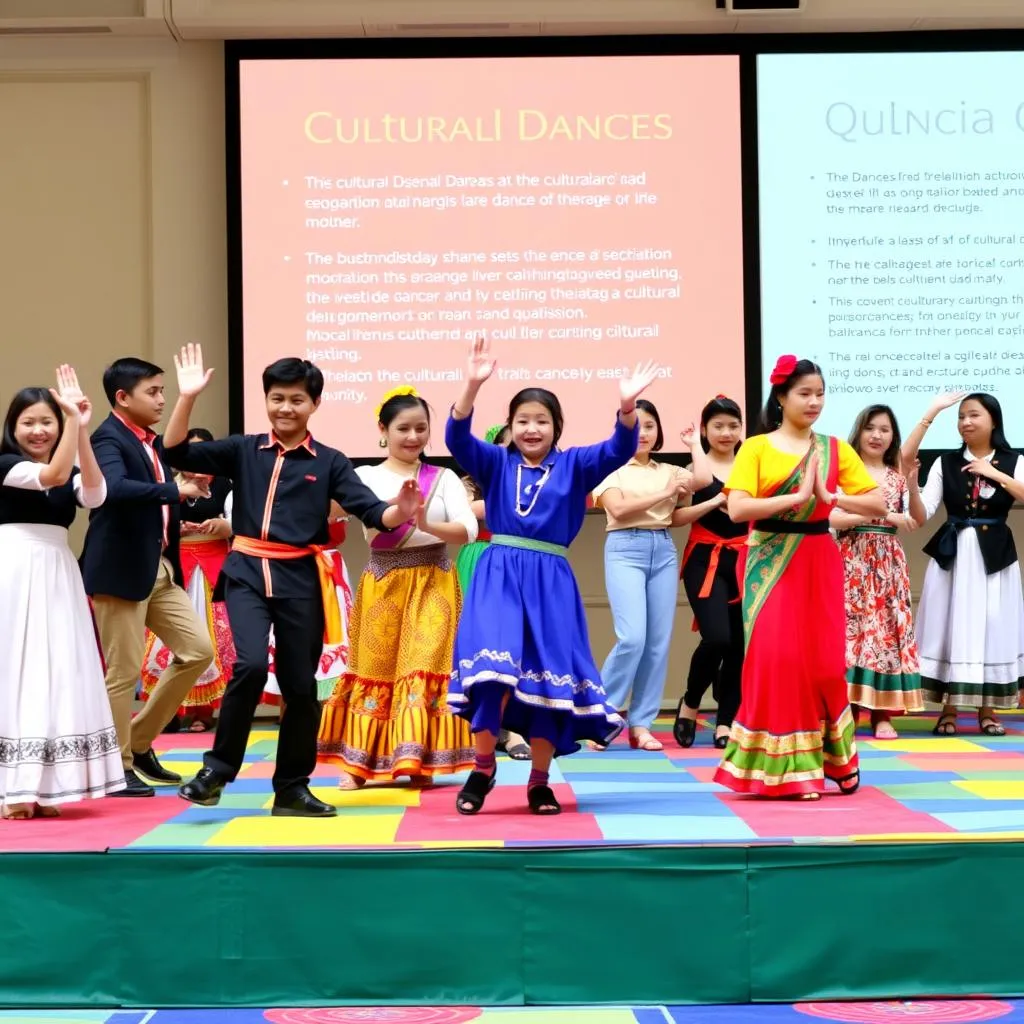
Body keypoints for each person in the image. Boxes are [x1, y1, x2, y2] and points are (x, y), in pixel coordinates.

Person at [163, 345, 421, 817]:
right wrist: (187, 397)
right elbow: (176, 449)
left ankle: (291, 788)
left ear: (314, 405)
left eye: (297, 400)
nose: (286, 408)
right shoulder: (243, 449)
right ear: (266, 400)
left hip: (301, 576)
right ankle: (216, 771)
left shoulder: (330, 461)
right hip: (245, 571)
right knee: (249, 666)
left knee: (300, 685)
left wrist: (399, 512)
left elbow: (371, 510)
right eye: (277, 398)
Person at [446, 335, 661, 816]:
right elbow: (457, 439)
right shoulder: (497, 462)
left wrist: (627, 406)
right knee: (490, 675)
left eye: (541, 421)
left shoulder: (576, 464)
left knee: (547, 684)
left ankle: (540, 783)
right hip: (497, 574)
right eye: (523, 420)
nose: (531, 428)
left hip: (550, 582)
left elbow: (619, 447)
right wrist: (472, 385)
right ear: (512, 426)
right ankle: (483, 769)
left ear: (556, 427)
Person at [714, 355, 886, 800]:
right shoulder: (757, 447)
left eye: (820, 394)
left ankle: (838, 760)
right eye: (804, 394)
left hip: (819, 558)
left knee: (825, 667)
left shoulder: (833, 448)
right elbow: (737, 509)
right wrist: (797, 495)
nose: (814, 402)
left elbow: (878, 505)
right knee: (779, 662)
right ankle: (793, 772)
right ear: (782, 397)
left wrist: (832, 496)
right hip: (769, 558)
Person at [318, 387, 477, 788]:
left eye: (421, 428)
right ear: (383, 430)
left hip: (435, 580)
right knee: (376, 668)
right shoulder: (364, 476)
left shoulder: (444, 479)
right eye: (403, 428)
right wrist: (392, 505)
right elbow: (330, 509)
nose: (413, 437)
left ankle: (417, 758)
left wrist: (425, 525)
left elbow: (467, 529)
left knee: (424, 665)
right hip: (384, 582)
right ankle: (360, 764)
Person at [82, 357, 215, 797]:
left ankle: (138, 743)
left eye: (163, 391)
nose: (162, 399)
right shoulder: (107, 437)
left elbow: (156, 500)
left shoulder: (150, 441)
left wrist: (182, 484)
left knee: (197, 652)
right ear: (123, 398)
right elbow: (112, 490)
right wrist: (174, 488)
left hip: (159, 568)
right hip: (119, 570)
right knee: (122, 673)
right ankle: (115, 767)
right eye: (153, 392)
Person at [0, 368, 125, 818]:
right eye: (28, 422)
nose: (38, 430)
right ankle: (13, 789)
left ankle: (45, 786)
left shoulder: (69, 456)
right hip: (12, 568)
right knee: (18, 671)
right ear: (12, 428)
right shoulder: (5, 464)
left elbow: (94, 494)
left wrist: (82, 426)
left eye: (47, 421)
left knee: (56, 671)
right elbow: (52, 477)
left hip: (56, 570)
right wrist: (72, 421)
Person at [902, 391, 1024, 736]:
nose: (966, 423)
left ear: (994, 421)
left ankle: (988, 711)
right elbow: (922, 512)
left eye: (974, 416)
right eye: (961, 417)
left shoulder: (1014, 460)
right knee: (949, 624)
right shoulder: (946, 462)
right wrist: (912, 485)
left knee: (992, 626)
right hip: (953, 555)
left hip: (995, 558)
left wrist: (994, 473)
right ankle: (949, 710)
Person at [591, 400, 710, 751]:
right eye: (635, 426)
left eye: (650, 426)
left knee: (657, 644)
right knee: (632, 638)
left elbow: (703, 479)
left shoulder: (667, 470)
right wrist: (666, 493)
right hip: (625, 547)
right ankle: (602, 716)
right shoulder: (610, 468)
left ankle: (641, 724)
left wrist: (693, 446)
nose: (642, 433)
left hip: (662, 548)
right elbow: (617, 508)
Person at [831, 405, 925, 739]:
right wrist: (877, 514)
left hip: (887, 561)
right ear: (858, 432)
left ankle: (882, 714)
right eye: (870, 428)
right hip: (850, 559)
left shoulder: (896, 476)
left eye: (884, 430)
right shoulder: (844, 473)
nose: (876, 435)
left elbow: (917, 519)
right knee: (851, 634)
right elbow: (833, 518)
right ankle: (848, 711)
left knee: (885, 635)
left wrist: (912, 487)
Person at [140, 427, 234, 732]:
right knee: (167, 641)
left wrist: (221, 526)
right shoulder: (167, 485)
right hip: (177, 564)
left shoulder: (225, 485)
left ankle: (203, 713)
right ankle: (168, 711)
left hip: (214, 565)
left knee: (215, 640)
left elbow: (240, 523)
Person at [673, 395, 748, 749]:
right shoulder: (694, 470)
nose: (726, 432)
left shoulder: (752, 465)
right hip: (704, 557)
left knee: (738, 646)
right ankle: (690, 703)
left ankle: (725, 720)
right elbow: (675, 518)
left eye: (733, 425)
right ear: (704, 430)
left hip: (745, 559)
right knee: (718, 638)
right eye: (718, 426)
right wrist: (714, 501)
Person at [456, 423, 530, 761]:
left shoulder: (537, 476)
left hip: (520, 562)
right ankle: (477, 726)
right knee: (479, 644)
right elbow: (465, 513)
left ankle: (512, 727)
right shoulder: (469, 482)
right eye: (505, 445)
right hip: (479, 557)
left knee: (515, 644)